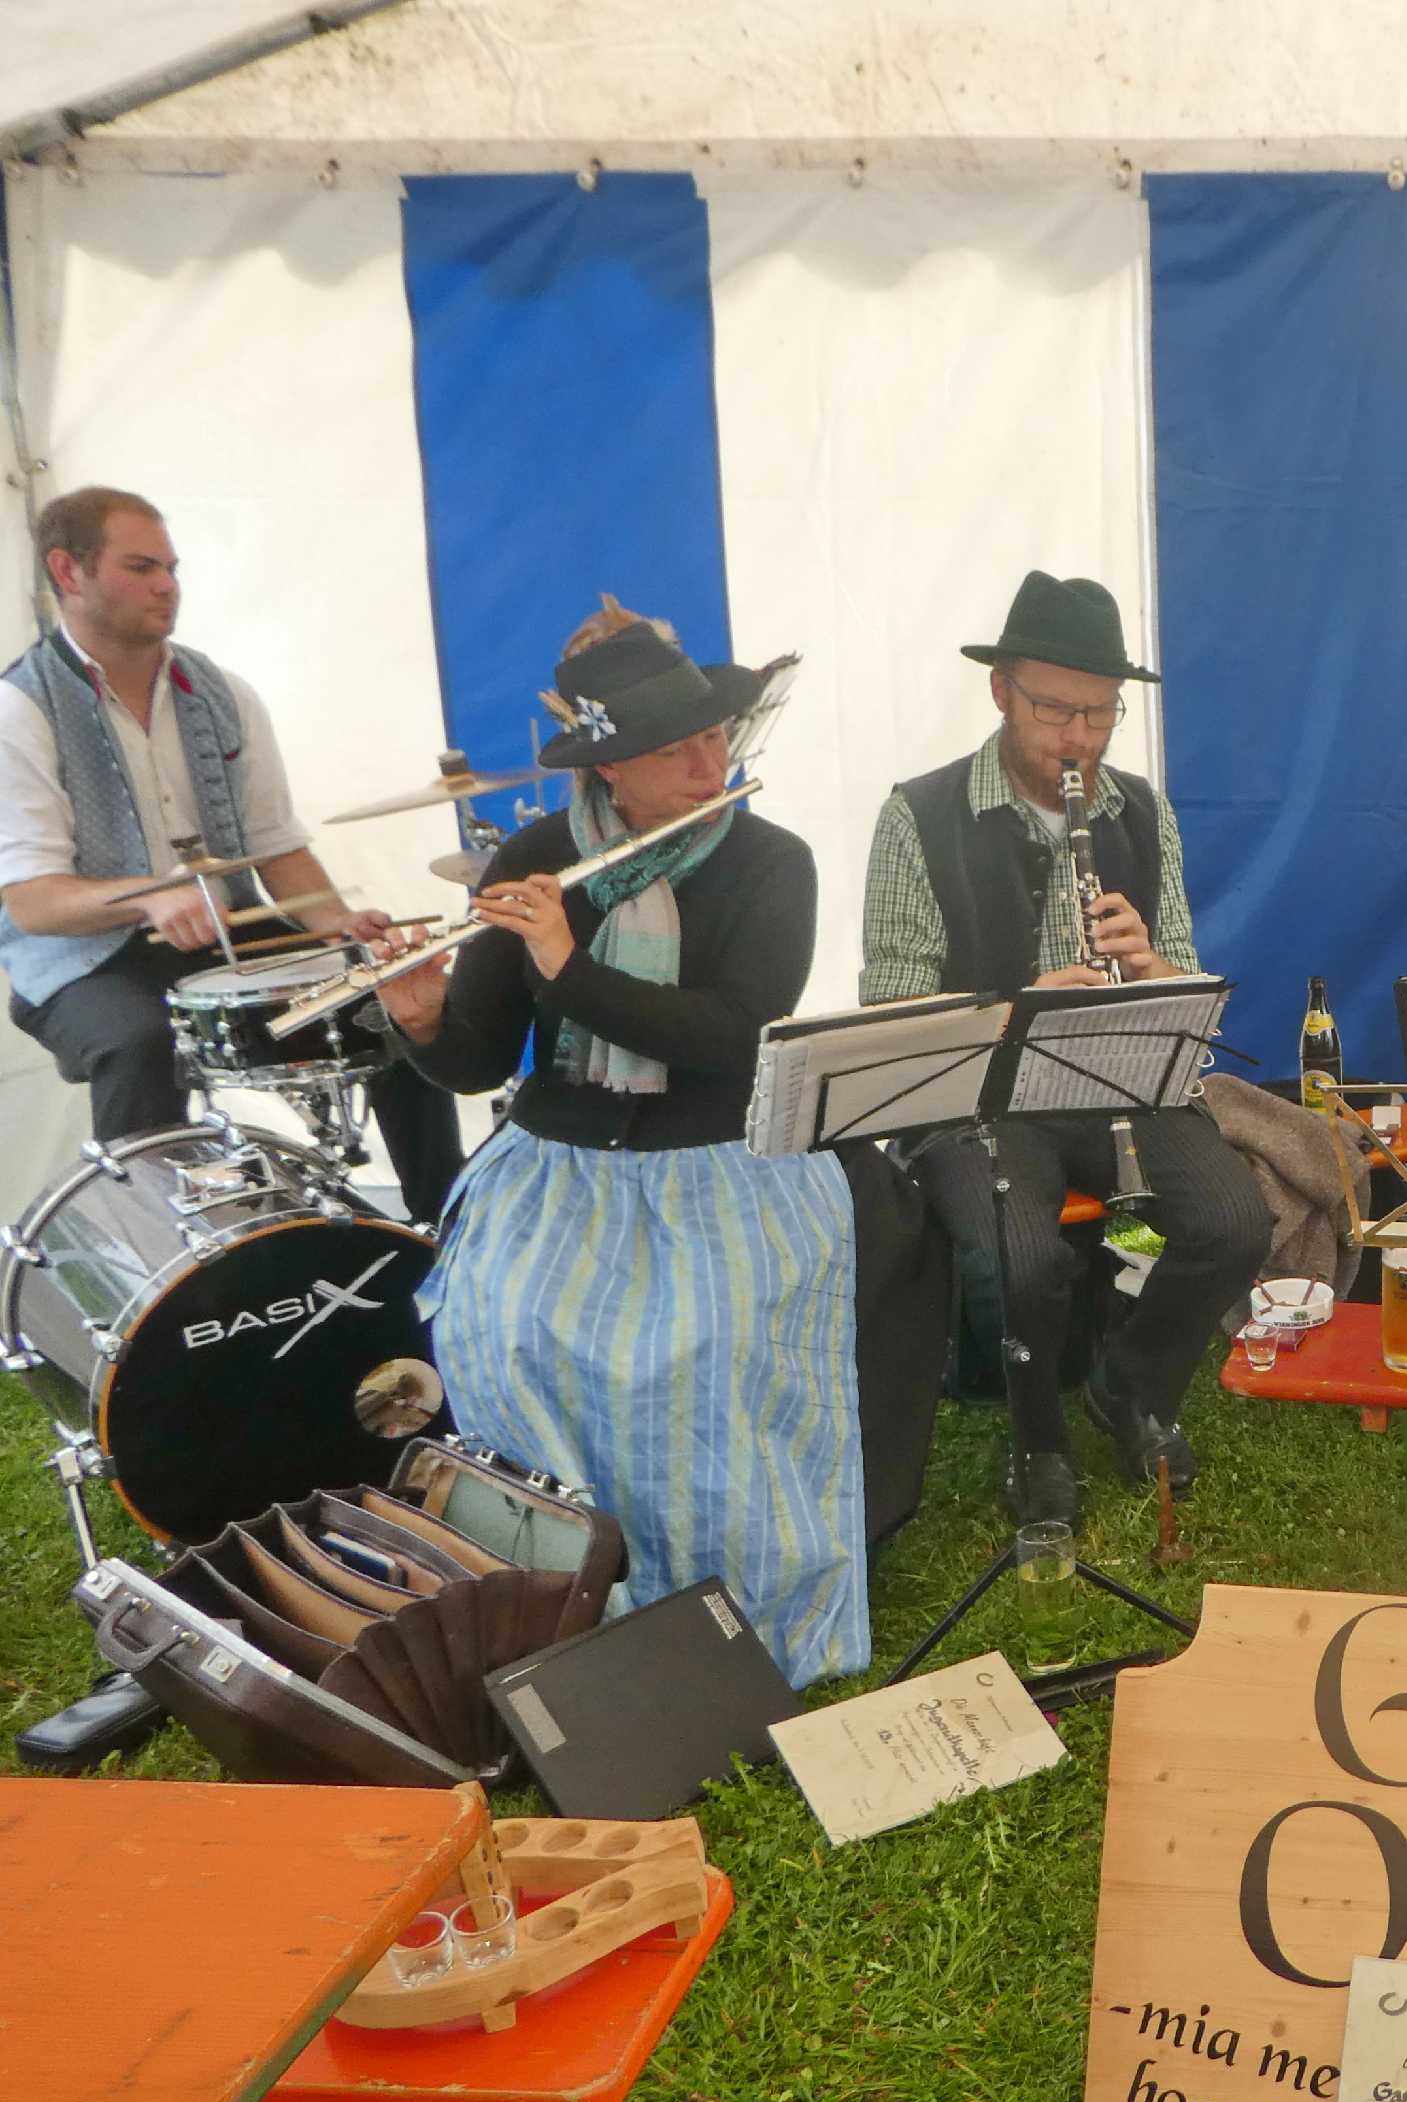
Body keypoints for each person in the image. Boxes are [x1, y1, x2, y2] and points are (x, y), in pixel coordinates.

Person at [368, 603, 867, 1687]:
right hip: (559, 1163)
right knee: (499, 1328)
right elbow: (480, 1061)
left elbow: (735, 1039)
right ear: (611, 768)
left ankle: (727, 1616)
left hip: (720, 1158)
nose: (710, 762)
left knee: (693, 1353)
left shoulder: (770, 862)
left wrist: (570, 966)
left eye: (715, 735)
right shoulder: (537, 855)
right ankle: (564, 1610)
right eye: (676, 748)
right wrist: (420, 1015)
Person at [861, 571, 1269, 1527]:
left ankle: (1130, 1386)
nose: (1077, 738)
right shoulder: (919, 814)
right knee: (1020, 1255)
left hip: (1114, 1075)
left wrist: (1151, 961)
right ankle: (1037, 1441)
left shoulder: (1141, 811)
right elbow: (891, 1007)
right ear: (1001, 690)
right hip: (977, 1095)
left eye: (1100, 714)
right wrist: (1016, 1007)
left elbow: (1186, 980)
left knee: (1234, 1222)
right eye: (1053, 710)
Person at [0, 485, 465, 1215]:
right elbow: (33, 903)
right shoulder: (19, 710)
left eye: (171, 568)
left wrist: (335, 921)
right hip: (82, 964)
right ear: (68, 571)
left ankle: (448, 1220)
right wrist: (148, 897)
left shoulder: (221, 693)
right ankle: (158, 1249)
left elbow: (277, 848)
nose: (167, 586)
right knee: (140, 1042)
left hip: (223, 938)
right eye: (141, 567)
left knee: (384, 991)